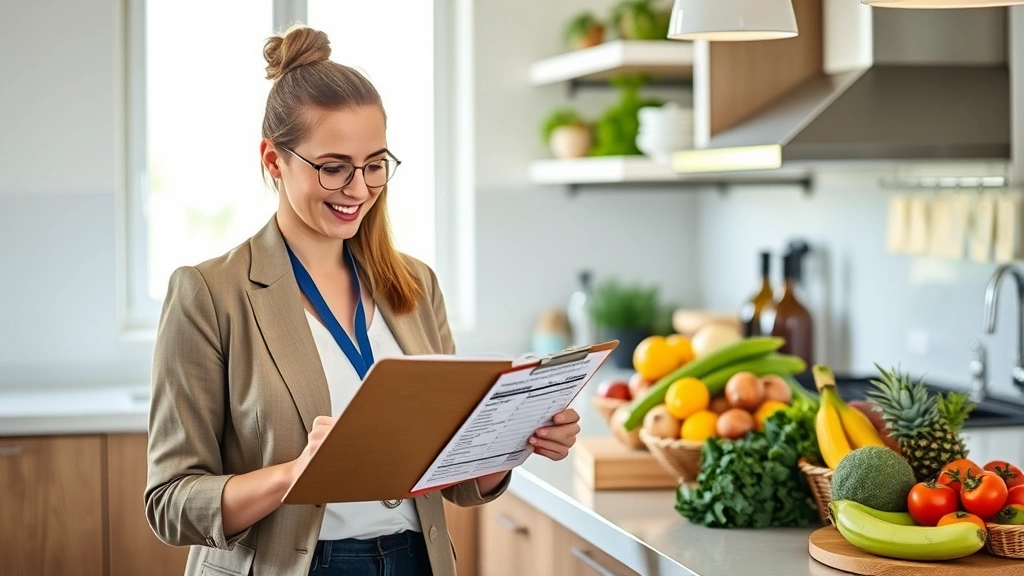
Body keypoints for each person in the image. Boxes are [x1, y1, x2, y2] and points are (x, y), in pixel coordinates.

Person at [144, 24, 582, 576]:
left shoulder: (414, 285)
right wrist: (296, 473)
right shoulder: (209, 294)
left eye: (374, 164)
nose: (358, 189)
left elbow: (461, 485)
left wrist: (509, 442)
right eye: (333, 167)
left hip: (413, 562)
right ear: (274, 160)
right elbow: (169, 503)